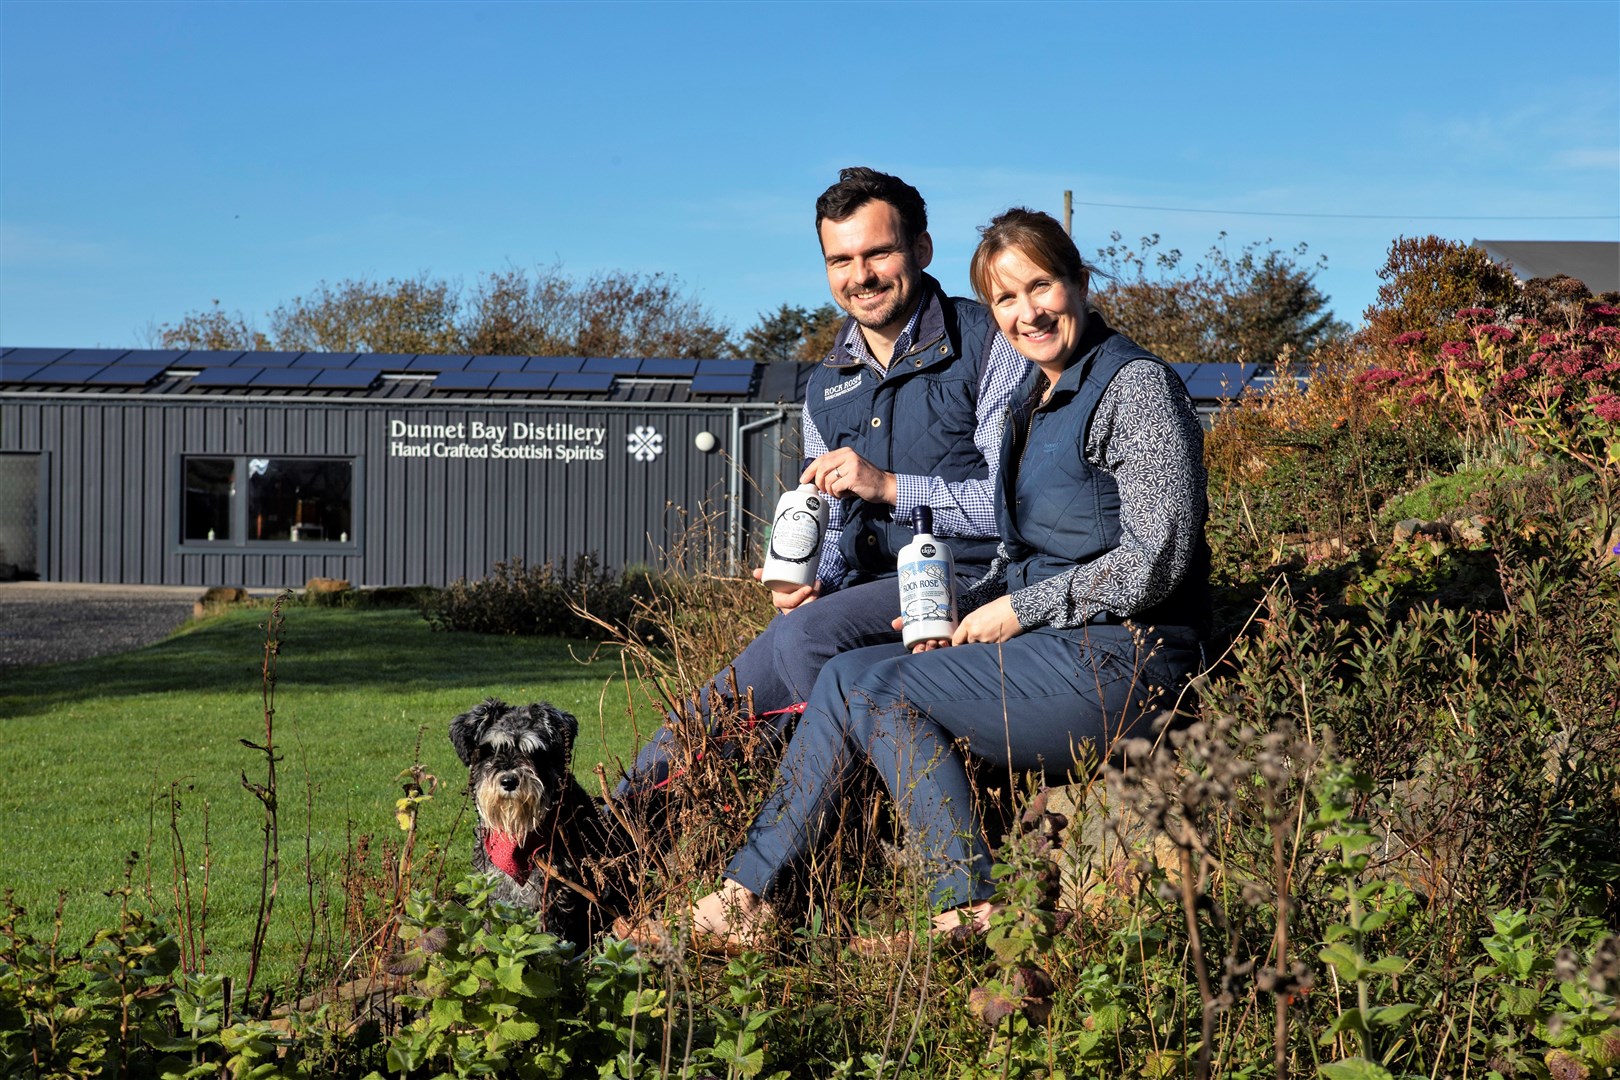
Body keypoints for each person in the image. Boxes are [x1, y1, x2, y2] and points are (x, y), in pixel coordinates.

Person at [669, 207, 1212, 945]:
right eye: (1005, 300)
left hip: (1127, 656)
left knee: (874, 683)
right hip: (1052, 647)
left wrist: (1017, 611)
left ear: (1081, 281)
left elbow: (1159, 559)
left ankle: (956, 898)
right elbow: (1019, 551)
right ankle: (752, 895)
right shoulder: (1034, 400)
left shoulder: (1136, 387)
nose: (1027, 314)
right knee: (852, 673)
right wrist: (962, 615)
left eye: (1041, 287)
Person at [615, 169, 1029, 799]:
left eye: (877, 253)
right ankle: (591, 850)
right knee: (705, 714)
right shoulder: (825, 383)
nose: (859, 276)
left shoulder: (991, 345)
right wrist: (809, 577)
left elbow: (1015, 505)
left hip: (967, 580)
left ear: (921, 249)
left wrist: (891, 486)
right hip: (866, 592)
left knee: (808, 638)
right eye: (840, 259)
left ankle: (881, 820)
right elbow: (834, 525)